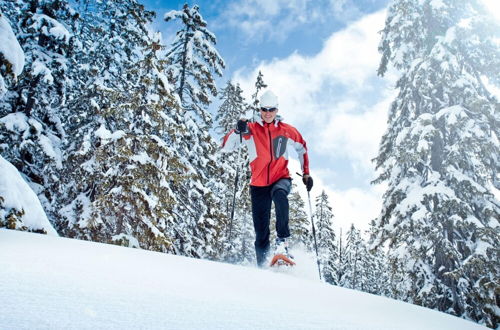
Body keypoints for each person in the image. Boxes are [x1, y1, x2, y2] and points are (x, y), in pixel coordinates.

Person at [222, 90, 313, 267]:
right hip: (258, 184)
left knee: (280, 194)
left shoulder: (287, 130)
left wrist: (306, 172)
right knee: (261, 231)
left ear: (277, 110)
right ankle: (263, 266)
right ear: (260, 109)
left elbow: (302, 147)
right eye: (264, 109)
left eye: (272, 109)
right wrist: (236, 130)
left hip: (281, 177)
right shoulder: (251, 129)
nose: (268, 113)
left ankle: (282, 244)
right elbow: (226, 146)